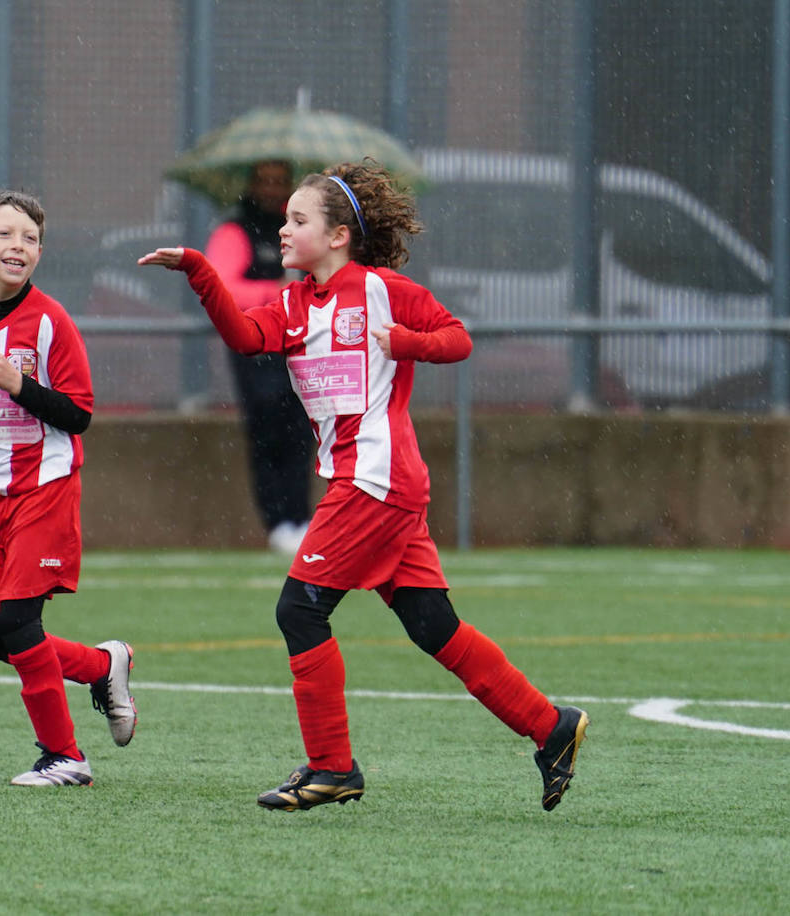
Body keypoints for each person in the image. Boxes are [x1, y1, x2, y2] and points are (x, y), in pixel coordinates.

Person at [138, 161, 588, 812]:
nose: (284, 232)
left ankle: (332, 767)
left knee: (299, 610)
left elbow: (457, 340)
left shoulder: (382, 290)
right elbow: (243, 334)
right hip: (372, 483)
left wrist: (404, 340)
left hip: (376, 479)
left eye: (299, 221)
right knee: (433, 626)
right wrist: (199, 271)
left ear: (339, 236)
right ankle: (552, 727)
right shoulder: (293, 304)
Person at [0, 188, 137, 787]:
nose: (17, 245)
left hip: (45, 486)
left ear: (39, 254)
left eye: (29, 238)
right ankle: (104, 665)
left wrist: (20, 386)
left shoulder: (50, 322)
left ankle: (65, 757)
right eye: (5, 234)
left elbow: (79, 414)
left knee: (20, 622)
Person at [204, 160, 314, 554]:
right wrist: (275, 292)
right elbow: (224, 290)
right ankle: (279, 522)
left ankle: (301, 520)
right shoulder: (235, 230)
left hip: (299, 348)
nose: (271, 190)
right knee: (267, 433)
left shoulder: (304, 229)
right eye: (264, 182)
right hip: (257, 350)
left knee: (303, 434)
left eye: (279, 182)